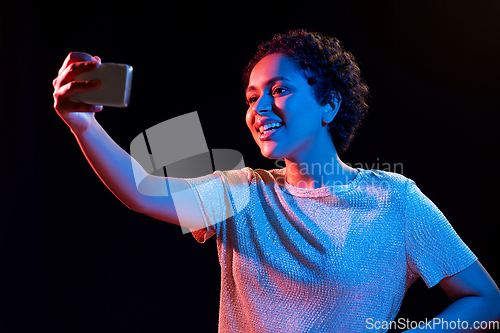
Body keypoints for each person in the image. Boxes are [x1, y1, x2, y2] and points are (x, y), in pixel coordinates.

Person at [53, 29, 500, 332]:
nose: (259, 108)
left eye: (279, 90)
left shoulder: (393, 198)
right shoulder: (240, 191)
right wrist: (83, 125)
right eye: (251, 97)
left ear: (328, 105)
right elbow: (141, 191)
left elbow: (484, 300)